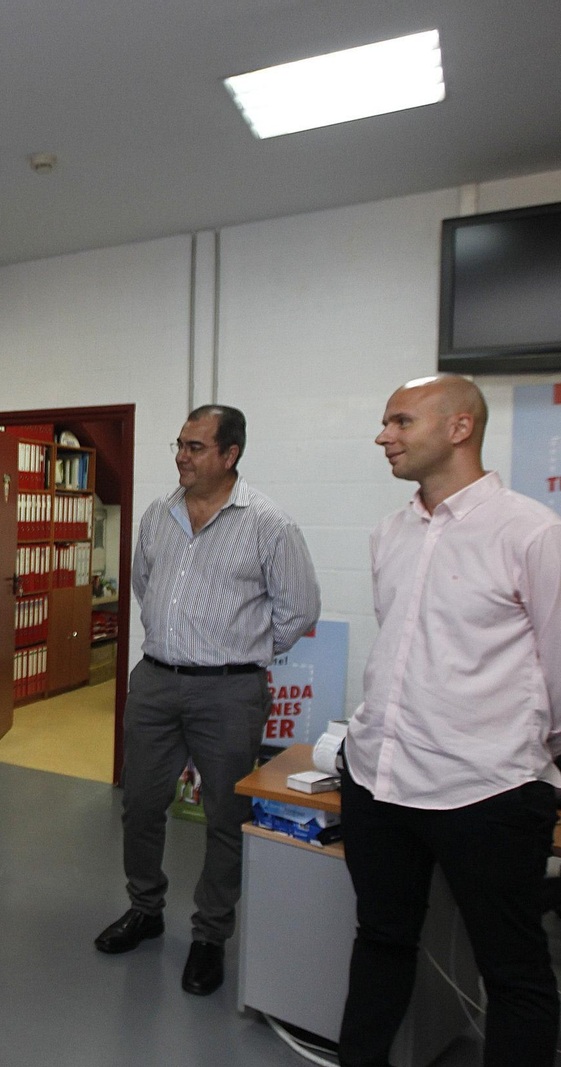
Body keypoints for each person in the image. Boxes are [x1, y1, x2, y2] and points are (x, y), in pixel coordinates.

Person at [338, 375, 561, 1067]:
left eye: (401, 421)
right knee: (381, 937)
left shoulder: (533, 533)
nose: (384, 437)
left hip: (487, 791)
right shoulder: (389, 532)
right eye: (385, 423)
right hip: (379, 779)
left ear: (460, 428)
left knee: (513, 970)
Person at [94, 404, 320, 997]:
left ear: (230, 454)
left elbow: (299, 608)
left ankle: (209, 936)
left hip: (231, 690)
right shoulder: (157, 515)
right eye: (179, 444)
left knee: (225, 816)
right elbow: (145, 584)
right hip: (156, 680)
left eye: (195, 447)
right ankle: (145, 908)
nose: (181, 456)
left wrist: (240, 652)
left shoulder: (269, 523)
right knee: (140, 804)